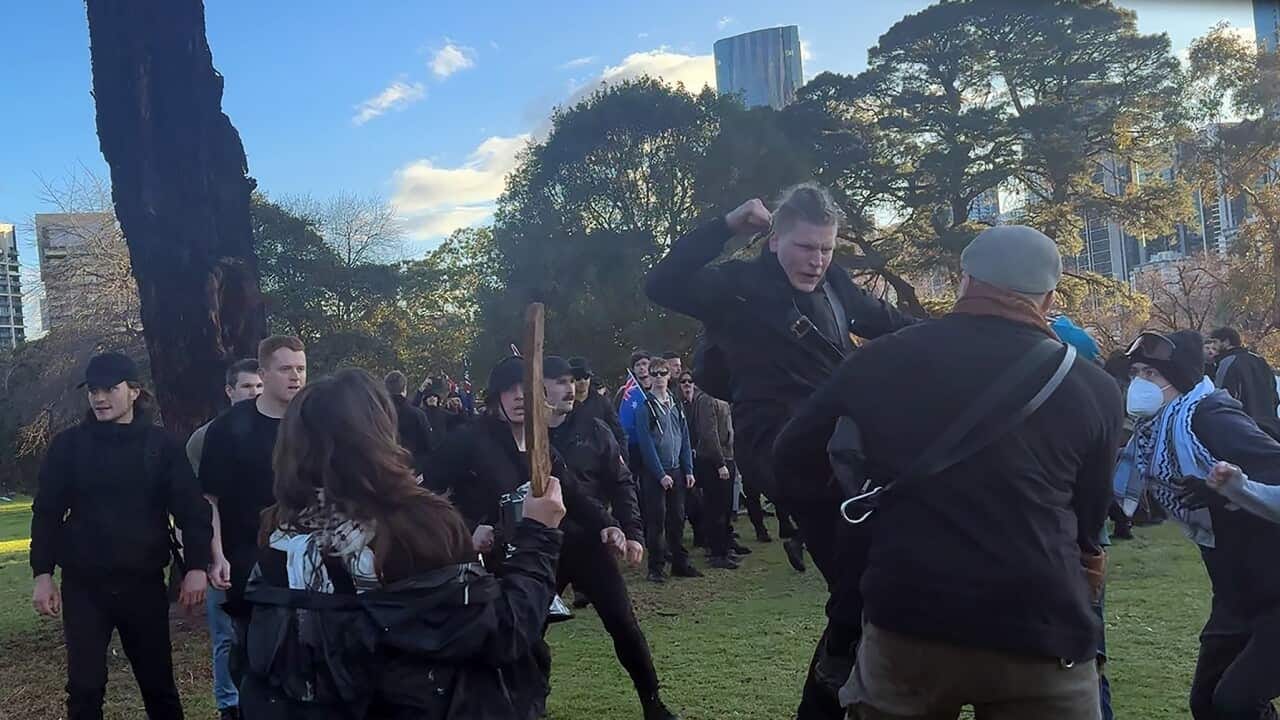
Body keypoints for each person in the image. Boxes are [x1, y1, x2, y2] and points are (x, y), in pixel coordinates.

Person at [777, 224, 1122, 719]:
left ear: (964, 282)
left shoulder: (882, 358)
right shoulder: (1092, 386)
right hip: (1042, 621)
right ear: (1048, 300)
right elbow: (1090, 524)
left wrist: (852, 530)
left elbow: (791, 454)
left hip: (909, 612)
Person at [645, 182, 914, 718]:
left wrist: (969, 337)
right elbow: (663, 283)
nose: (816, 261)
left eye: (826, 249)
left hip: (842, 444)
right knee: (865, 582)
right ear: (774, 241)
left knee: (872, 585)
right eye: (805, 247)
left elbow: (893, 325)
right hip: (780, 446)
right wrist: (724, 225)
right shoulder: (737, 286)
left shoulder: (836, 285)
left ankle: (835, 674)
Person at [236, 368, 568, 720]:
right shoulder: (417, 526)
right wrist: (538, 533)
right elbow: (502, 629)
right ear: (378, 435)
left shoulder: (276, 533)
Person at [424, 356, 627, 716]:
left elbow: (572, 494)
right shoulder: (467, 440)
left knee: (532, 655)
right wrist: (467, 529)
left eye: (527, 388)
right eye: (510, 388)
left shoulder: (541, 444)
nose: (520, 396)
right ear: (494, 397)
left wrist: (607, 524)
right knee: (505, 659)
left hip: (529, 566)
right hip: (481, 574)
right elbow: (424, 497)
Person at [30, 352, 213, 720]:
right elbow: (47, 512)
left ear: (134, 392)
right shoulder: (68, 447)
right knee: (84, 686)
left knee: (158, 682)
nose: (100, 398)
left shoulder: (161, 446)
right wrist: (42, 574)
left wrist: (196, 566)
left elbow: (192, 511)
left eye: (110, 389)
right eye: (94, 390)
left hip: (142, 582)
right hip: (84, 584)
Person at [1115, 330, 1280, 719]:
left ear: (1180, 378)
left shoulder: (1209, 415)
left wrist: (1232, 494)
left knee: (1237, 702)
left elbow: (1275, 469)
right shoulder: (1153, 435)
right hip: (1237, 593)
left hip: (1274, 588)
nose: (1139, 384)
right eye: (1136, 372)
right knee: (1206, 703)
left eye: (1151, 375)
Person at [544, 356, 679, 720]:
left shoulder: (596, 430)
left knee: (623, 624)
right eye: (559, 380)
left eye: (571, 380)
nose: (569, 387)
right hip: (540, 547)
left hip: (591, 542)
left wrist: (633, 532)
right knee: (523, 629)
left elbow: (621, 484)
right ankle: (526, 702)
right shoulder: (522, 436)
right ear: (537, 385)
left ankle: (652, 702)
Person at [199, 335, 306, 679]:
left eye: (301, 368)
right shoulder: (228, 428)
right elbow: (209, 498)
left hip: (310, 559)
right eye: (286, 368)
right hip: (248, 558)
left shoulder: (315, 422)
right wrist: (216, 556)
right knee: (253, 658)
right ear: (264, 372)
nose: (296, 376)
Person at [185, 358, 262, 720]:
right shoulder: (206, 438)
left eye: (259, 386)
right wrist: (207, 554)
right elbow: (202, 501)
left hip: (265, 548)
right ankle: (228, 705)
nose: (254, 393)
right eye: (247, 387)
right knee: (226, 634)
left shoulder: (287, 429)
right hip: (224, 548)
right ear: (230, 391)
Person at [634, 356, 701, 582]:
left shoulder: (676, 404)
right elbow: (646, 444)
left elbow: (685, 438)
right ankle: (656, 567)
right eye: (655, 374)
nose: (660, 378)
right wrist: (660, 474)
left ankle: (680, 563)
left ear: (669, 375)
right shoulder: (645, 408)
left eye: (663, 373)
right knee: (656, 521)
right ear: (649, 377)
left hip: (676, 471)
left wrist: (688, 469)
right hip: (656, 474)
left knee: (678, 518)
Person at [683, 372, 739, 569]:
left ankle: (724, 549)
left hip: (726, 457)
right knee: (715, 509)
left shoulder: (716, 397)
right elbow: (709, 433)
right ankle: (717, 553)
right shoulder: (706, 399)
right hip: (714, 461)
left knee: (723, 508)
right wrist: (720, 463)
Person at [1208, 327, 1280, 438]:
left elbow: (1221, 399)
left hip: (1243, 431)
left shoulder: (1227, 362)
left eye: (1215, 342)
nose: (1213, 346)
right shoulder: (1260, 361)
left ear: (1226, 342)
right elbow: (1274, 396)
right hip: (1270, 430)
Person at [569, 355, 629, 461]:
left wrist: (622, 459)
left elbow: (619, 433)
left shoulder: (602, 403)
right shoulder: (564, 404)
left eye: (586, 376)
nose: (582, 381)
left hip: (600, 462)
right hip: (573, 463)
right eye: (577, 378)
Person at [384, 370, 437, 474]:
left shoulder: (377, 414)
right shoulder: (417, 415)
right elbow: (429, 445)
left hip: (383, 472)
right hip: (412, 471)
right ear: (404, 388)